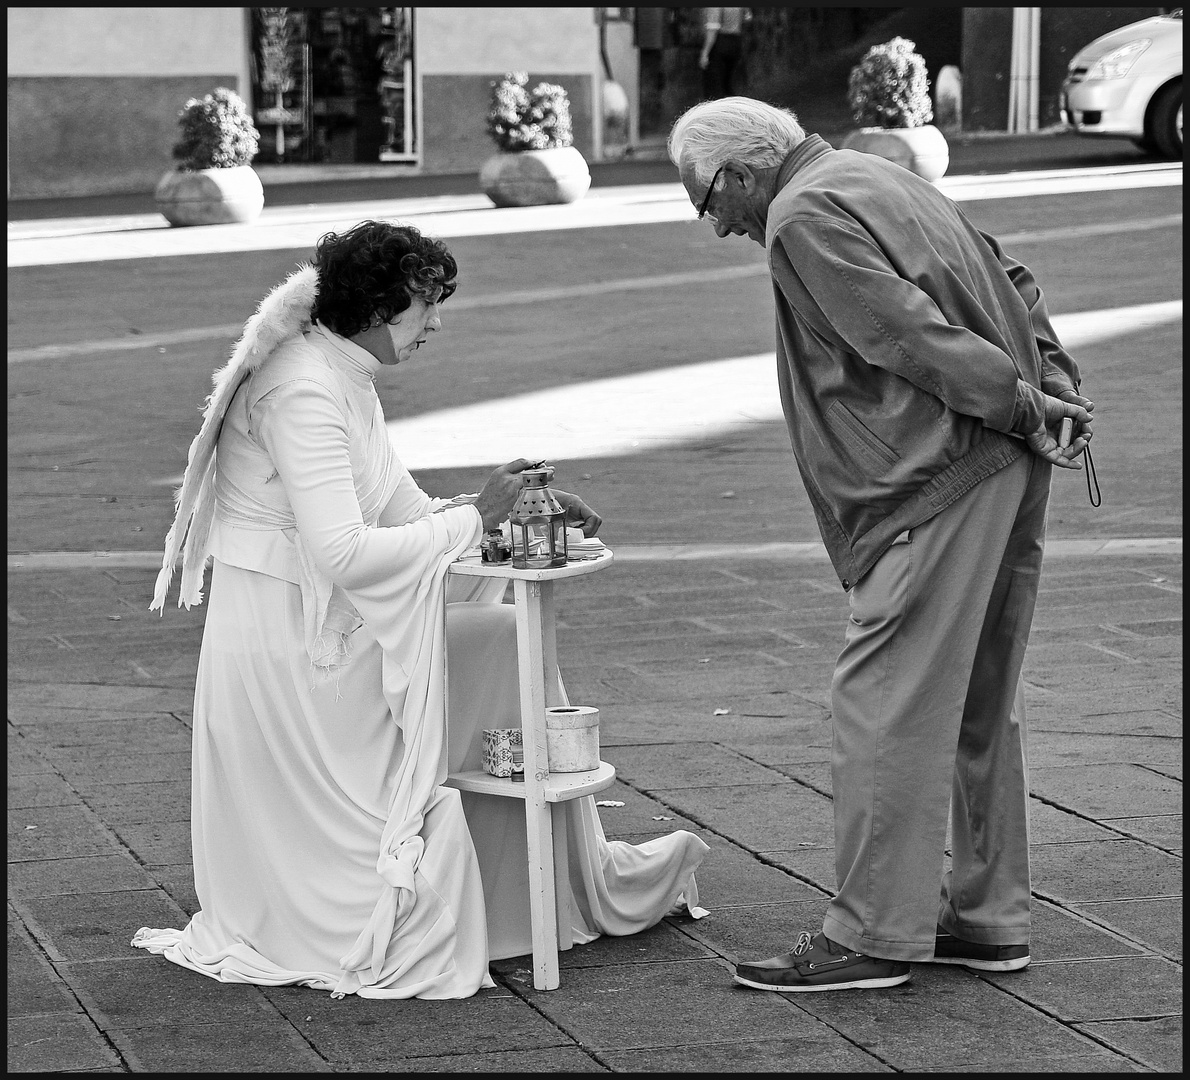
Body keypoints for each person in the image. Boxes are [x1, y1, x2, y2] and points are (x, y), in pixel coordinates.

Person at [133, 220, 708, 999]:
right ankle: (490, 891)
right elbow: (342, 553)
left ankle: (533, 886)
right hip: (295, 647)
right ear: (374, 307)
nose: (436, 323)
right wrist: (475, 520)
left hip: (326, 625)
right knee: (498, 635)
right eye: (424, 306)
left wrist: (506, 510)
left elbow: (402, 508)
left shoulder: (341, 373)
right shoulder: (303, 389)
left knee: (508, 636)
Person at [667, 99, 1094, 992]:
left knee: (887, 700)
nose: (715, 226)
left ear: (741, 175)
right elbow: (1008, 273)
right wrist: (1050, 384)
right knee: (980, 701)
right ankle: (986, 917)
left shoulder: (802, 213)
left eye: (707, 201)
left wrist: (1022, 401)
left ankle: (870, 935)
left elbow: (901, 332)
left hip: (934, 474)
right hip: (1001, 461)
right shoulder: (877, 174)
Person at [699, 7, 748, 98]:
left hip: (720, 43)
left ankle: (716, 108)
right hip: (736, 42)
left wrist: (705, 53)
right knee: (728, 84)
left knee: (714, 86)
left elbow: (712, 30)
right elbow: (747, 18)